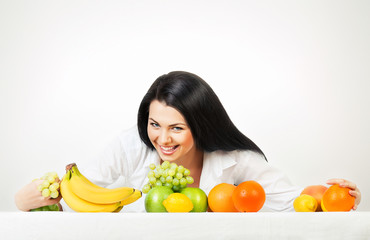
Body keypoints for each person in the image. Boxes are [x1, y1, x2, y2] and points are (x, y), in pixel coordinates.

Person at [15, 71, 361, 212]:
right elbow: (81, 197)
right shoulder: (130, 146)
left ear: (201, 124)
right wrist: (30, 199)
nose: (162, 139)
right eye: (154, 124)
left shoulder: (235, 160)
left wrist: (339, 198)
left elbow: (293, 203)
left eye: (177, 129)